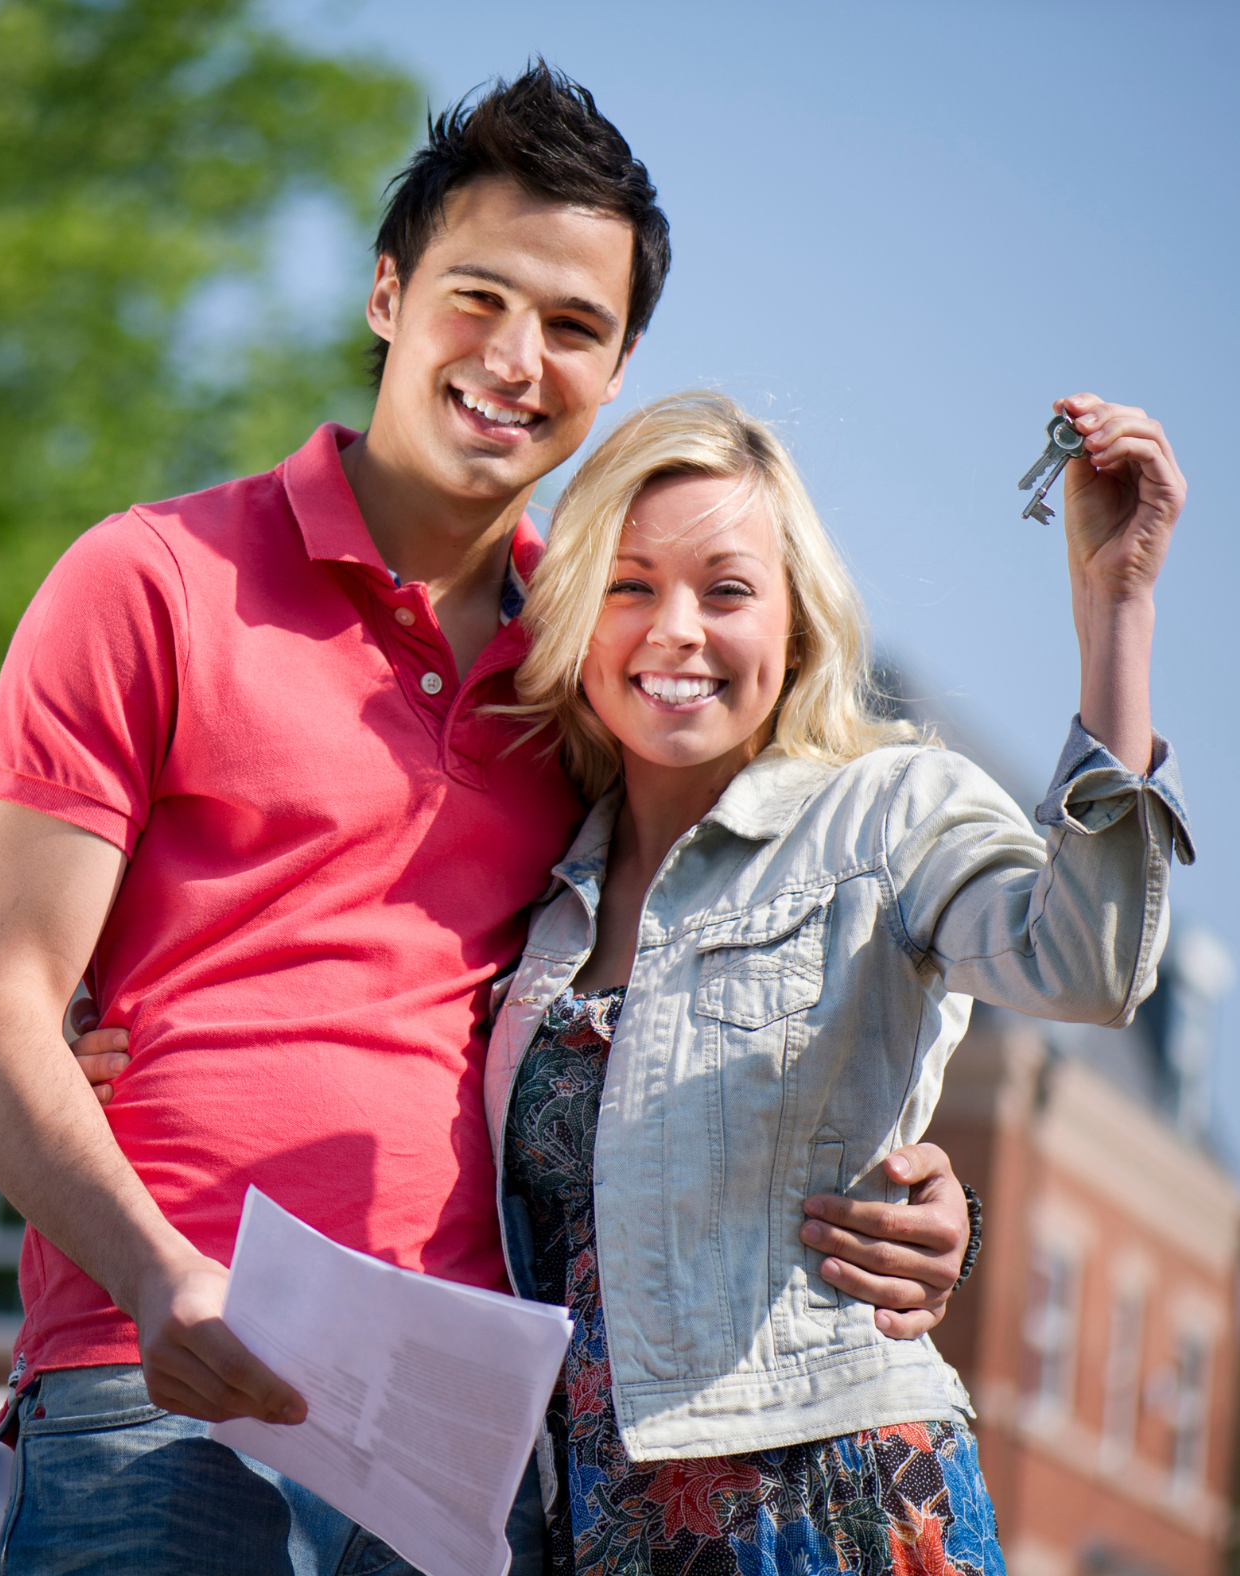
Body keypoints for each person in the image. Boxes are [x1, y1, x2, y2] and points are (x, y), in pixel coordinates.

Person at [0, 67, 975, 1575]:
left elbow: (751, 969)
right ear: (385, 292)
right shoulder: (148, 579)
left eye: (574, 327)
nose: (514, 358)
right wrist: (160, 1279)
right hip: (154, 1371)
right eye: (477, 297)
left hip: (466, 1436)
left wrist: (915, 1180)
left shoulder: (597, 671)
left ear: (615, 370)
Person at [485, 389, 1189, 1573]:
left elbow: (1086, 964)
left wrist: (1111, 607)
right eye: (628, 584)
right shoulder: (540, 890)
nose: (674, 632)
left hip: (834, 1496)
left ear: (795, 626)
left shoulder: (890, 808)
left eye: (724, 589)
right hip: (591, 1525)